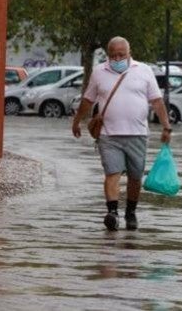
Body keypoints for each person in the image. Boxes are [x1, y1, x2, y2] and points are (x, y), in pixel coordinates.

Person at [72, 36, 172, 231]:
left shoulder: (144, 71)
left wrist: (166, 126)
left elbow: (157, 101)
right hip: (108, 135)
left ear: (129, 53)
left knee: (135, 176)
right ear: (108, 55)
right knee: (112, 173)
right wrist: (76, 121)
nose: (117, 59)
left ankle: (131, 212)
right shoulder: (99, 72)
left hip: (137, 134)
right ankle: (112, 213)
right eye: (113, 55)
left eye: (121, 55)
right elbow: (88, 100)